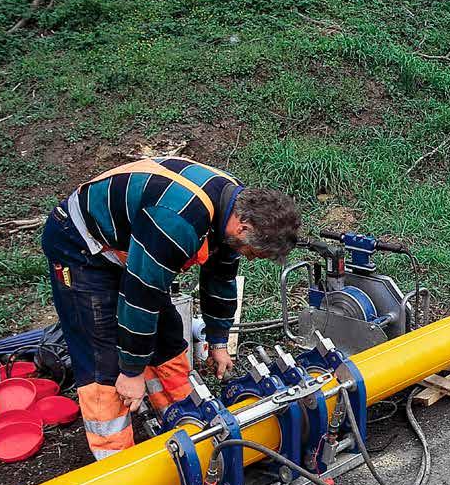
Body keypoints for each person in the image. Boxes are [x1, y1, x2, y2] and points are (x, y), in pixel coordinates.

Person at [41, 156, 300, 460]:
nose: (252, 258)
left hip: (130, 242)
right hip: (80, 246)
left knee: (168, 337)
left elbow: (220, 277)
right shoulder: (178, 220)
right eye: (254, 253)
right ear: (243, 227)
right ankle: (116, 469)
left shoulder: (233, 206)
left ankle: (185, 421)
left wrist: (218, 340)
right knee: (104, 360)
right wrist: (132, 371)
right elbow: (140, 295)